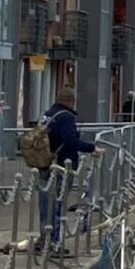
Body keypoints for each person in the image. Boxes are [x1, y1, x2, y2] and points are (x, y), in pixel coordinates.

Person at [41, 92, 94, 252]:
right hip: (61, 165)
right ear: (71, 102)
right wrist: (91, 148)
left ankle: (44, 238)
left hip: (44, 163)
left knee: (45, 204)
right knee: (57, 203)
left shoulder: (47, 115)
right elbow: (70, 140)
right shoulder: (66, 117)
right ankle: (55, 242)